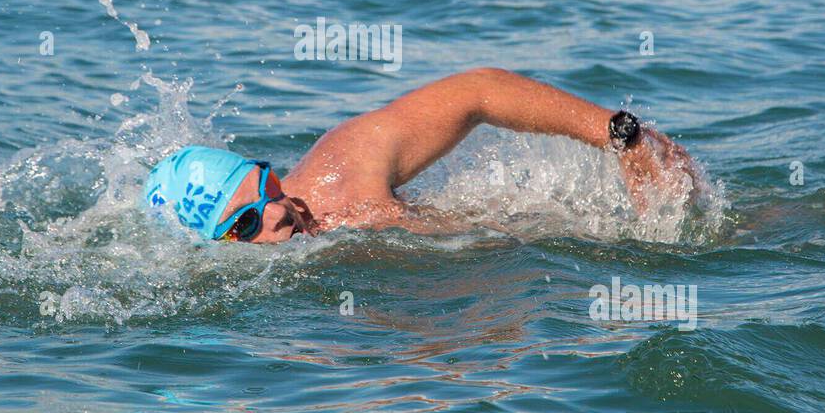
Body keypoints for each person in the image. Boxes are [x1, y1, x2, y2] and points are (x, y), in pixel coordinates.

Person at [144, 67, 697, 243]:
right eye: (244, 225)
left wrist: (617, 133)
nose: (278, 213)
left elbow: (477, 92)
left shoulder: (347, 165)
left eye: (266, 187)